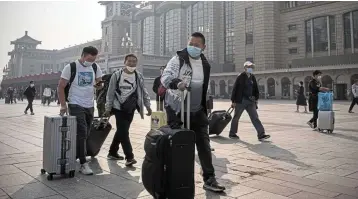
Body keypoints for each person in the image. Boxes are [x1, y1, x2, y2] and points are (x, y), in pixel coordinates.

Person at [161, 32, 225, 192]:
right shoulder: (178, 59)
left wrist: (207, 103)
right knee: (179, 145)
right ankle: (174, 179)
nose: (193, 47)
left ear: (203, 47)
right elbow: (165, 77)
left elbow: (204, 86)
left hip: (198, 110)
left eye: (197, 45)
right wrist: (177, 83)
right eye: (191, 43)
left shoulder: (205, 64)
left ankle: (209, 178)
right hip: (178, 109)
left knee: (204, 144)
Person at [58, 46, 103, 175]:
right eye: (89, 59)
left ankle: (76, 155)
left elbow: (98, 84)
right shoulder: (71, 67)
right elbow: (61, 86)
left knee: (86, 132)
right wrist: (63, 105)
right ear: (83, 55)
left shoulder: (95, 67)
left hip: (89, 104)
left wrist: (100, 85)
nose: (91, 61)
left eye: (94, 59)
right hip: (75, 103)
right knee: (82, 131)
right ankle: (83, 163)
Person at [104, 54, 152, 166]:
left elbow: (143, 92)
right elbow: (110, 93)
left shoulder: (138, 76)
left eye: (134, 62)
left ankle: (112, 152)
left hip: (130, 107)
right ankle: (129, 157)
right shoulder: (117, 75)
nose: (131, 63)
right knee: (124, 131)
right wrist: (108, 107)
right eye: (129, 61)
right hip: (118, 107)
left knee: (122, 130)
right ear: (125, 62)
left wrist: (148, 105)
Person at [228, 61, 270, 141]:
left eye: (251, 67)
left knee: (255, 117)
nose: (250, 68)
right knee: (236, 117)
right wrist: (233, 101)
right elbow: (235, 89)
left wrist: (256, 98)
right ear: (245, 68)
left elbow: (255, 88)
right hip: (241, 101)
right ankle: (232, 133)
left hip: (250, 101)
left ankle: (261, 135)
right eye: (249, 67)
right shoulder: (240, 76)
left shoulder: (252, 77)